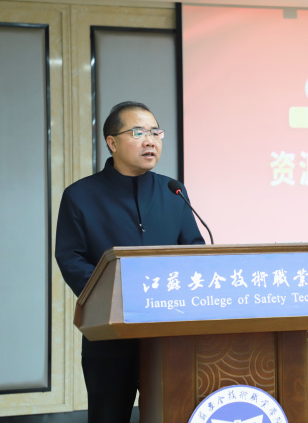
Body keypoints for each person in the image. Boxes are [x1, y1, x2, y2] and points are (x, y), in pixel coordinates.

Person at [55, 101, 205, 423]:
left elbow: (193, 249)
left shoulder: (173, 192)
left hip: (168, 330)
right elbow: (70, 256)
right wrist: (112, 296)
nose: (150, 140)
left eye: (155, 132)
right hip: (110, 333)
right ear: (112, 142)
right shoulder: (80, 196)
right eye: (138, 132)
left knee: (172, 414)